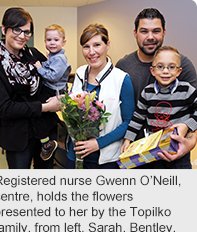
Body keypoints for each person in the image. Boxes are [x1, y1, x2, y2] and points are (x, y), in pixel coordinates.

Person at [116, 8, 197, 160]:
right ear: (135, 33)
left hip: (174, 151)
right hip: (137, 152)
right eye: (144, 31)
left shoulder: (183, 65)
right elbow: (129, 114)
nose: (150, 37)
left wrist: (190, 142)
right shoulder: (123, 66)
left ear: (164, 32)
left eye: (156, 31)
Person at [0, 7, 61, 169]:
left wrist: (59, 95)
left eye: (27, 32)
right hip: (18, 137)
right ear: (4, 29)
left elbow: (52, 80)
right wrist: (45, 106)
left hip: (46, 130)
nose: (22, 36)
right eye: (16, 29)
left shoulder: (33, 54)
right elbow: (5, 108)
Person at [66, 23, 135, 169]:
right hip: (75, 154)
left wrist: (98, 143)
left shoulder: (121, 79)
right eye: (86, 46)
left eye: (97, 45)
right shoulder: (79, 73)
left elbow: (129, 122)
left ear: (107, 45)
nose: (91, 52)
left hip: (104, 159)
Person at [121, 46, 197, 169]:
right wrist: (128, 140)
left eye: (171, 67)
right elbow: (138, 117)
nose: (165, 71)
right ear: (152, 71)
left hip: (178, 151)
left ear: (179, 71)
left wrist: (188, 125)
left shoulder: (187, 90)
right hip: (153, 151)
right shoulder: (147, 92)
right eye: (160, 66)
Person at [33, 24, 71, 161]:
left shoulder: (60, 58)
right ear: (45, 42)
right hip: (50, 88)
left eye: (56, 40)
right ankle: (52, 124)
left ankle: (46, 143)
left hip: (52, 89)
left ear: (63, 42)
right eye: (49, 40)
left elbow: (53, 76)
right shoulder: (53, 56)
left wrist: (39, 68)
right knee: (40, 112)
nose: (52, 43)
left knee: (35, 112)